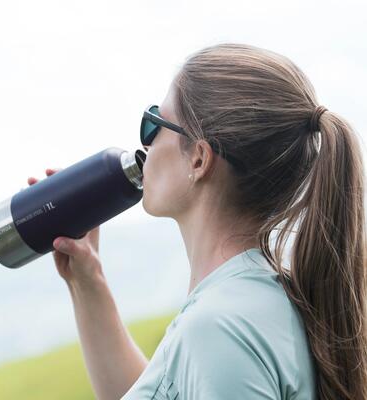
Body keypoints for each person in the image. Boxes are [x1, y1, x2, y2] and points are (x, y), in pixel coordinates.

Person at [27, 43, 366, 400]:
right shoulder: (258, 298)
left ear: (199, 160)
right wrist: (87, 281)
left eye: (154, 123)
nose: (146, 144)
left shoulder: (220, 327)